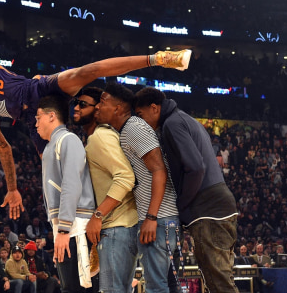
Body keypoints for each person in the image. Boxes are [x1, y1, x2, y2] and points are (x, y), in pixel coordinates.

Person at [0, 0, 191, 220]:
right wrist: (12, 189)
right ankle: (91, 220)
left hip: (37, 88)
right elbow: (4, 148)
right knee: (55, 170)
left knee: (87, 71)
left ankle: (159, 58)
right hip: (34, 118)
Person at [133, 87, 239, 293]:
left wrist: (182, 204)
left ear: (154, 108)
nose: (140, 122)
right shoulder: (184, 119)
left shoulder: (172, 124)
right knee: (216, 280)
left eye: (140, 115)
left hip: (208, 210)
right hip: (218, 206)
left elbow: (196, 167)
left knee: (219, 283)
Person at [94, 83, 178, 293]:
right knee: (157, 285)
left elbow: (159, 170)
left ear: (118, 108)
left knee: (156, 287)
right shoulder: (127, 130)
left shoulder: (133, 127)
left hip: (159, 218)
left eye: (103, 102)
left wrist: (151, 217)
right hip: (158, 218)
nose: (98, 106)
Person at [73, 87, 139, 293]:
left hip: (117, 227)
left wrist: (98, 215)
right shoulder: (100, 137)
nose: (76, 108)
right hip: (122, 227)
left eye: (83, 104)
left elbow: (126, 177)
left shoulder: (100, 137)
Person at [35, 95, 96, 292]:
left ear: (51, 116)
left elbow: (72, 183)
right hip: (65, 225)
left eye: (38, 117)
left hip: (76, 226)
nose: (36, 123)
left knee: (79, 287)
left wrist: (63, 229)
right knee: (69, 287)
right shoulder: (51, 144)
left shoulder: (68, 139)